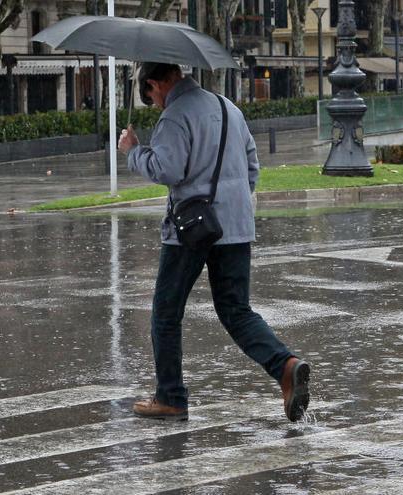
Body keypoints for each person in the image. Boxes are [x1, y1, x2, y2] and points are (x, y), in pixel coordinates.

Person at [117, 62, 311, 422]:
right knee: (236, 310)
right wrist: (232, 201)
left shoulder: (175, 116)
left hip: (190, 229)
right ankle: (285, 365)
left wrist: (133, 150)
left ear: (158, 83)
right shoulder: (228, 107)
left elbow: (168, 169)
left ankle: (171, 397)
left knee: (165, 312)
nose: (156, 104)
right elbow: (252, 165)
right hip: (236, 225)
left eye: (153, 96)